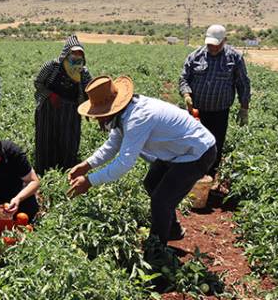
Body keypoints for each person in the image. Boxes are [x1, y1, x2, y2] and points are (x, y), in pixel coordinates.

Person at [67, 76, 216, 245]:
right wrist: (86, 165)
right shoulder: (122, 114)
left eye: (99, 114)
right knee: (151, 183)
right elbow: (112, 145)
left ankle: (157, 250)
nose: (98, 119)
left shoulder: (138, 118)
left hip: (197, 152)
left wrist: (89, 181)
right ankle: (172, 229)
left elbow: (124, 162)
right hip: (175, 151)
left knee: (162, 199)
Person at [179, 24, 251, 184]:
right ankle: (191, 177)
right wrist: (186, 93)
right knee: (193, 144)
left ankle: (210, 177)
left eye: (216, 45)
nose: (212, 47)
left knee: (215, 145)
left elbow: (243, 84)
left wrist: (244, 107)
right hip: (196, 112)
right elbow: (184, 78)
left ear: (224, 41)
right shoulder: (195, 56)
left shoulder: (234, 58)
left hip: (220, 112)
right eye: (210, 44)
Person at [34, 35, 93, 173]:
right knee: (46, 137)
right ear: (66, 53)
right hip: (49, 108)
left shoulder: (83, 72)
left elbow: (90, 90)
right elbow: (38, 82)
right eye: (74, 53)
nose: (77, 56)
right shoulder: (52, 66)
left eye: (80, 53)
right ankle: (44, 170)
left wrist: (91, 107)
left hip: (71, 110)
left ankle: (67, 170)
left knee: (68, 140)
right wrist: (51, 94)